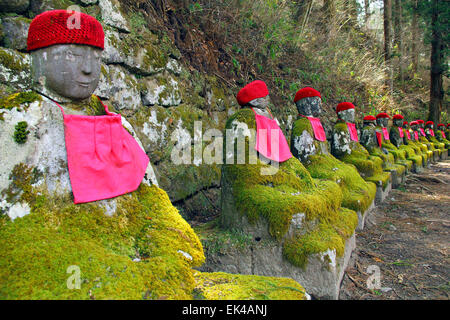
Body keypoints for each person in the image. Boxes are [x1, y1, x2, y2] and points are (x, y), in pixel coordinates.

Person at [290, 88, 376, 224]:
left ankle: (357, 193)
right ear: (305, 104)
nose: (320, 105)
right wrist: (327, 162)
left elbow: (326, 152)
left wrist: (331, 162)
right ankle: (344, 202)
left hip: (325, 162)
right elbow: (305, 157)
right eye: (316, 102)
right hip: (313, 166)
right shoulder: (302, 125)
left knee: (350, 168)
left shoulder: (316, 124)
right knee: (338, 177)